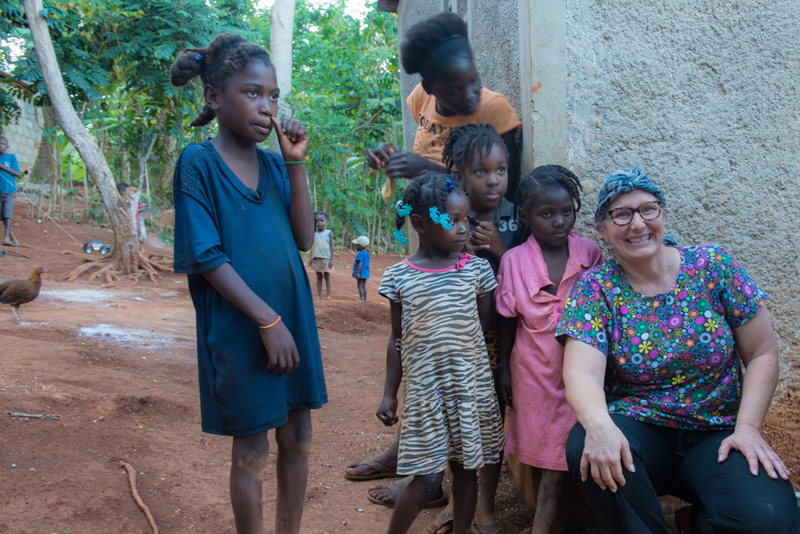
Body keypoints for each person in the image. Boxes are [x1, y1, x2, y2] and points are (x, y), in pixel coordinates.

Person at [557, 168, 798, 534]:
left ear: (663, 214)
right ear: (602, 230)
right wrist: (600, 426)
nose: (638, 224)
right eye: (621, 214)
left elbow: (762, 352)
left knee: (770, 520)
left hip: (718, 431)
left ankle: (695, 524)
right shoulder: (596, 288)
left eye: (647, 209)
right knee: (587, 446)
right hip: (640, 428)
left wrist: (749, 428)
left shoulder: (713, 266)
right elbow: (581, 372)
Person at [169, 33, 327, 534]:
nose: (267, 107)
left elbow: (304, 238)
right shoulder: (198, 163)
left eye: (273, 96)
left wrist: (296, 161)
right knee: (253, 447)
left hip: (290, 318)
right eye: (253, 93)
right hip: (245, 326)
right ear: (215, 97)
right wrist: (266, 320)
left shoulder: (276, 165)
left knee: (298, 437)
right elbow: (206, 257)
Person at [376, 171, 504, 534]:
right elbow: (398, 338)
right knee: (427, 479)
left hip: (468, 391)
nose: (464, 228)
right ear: (419, 224)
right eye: (453, 220)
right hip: (426, 396)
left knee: (465, 470)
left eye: (466, 219)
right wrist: (389, 393)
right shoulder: (400, 277)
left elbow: (483, 327)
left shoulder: (477, 271)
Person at [494, 166, 602, 534]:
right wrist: (504, 369)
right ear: (525, 217)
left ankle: (545, 525)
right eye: (547, 214)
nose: (559, 221)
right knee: (541, 453)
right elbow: (508, 319)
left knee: (563, 455)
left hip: (581, 372)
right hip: (533, 372)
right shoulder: (514, 261)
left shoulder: (590, 253)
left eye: (566, 211)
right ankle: (548, 521)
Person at [364, 12, 521, 203]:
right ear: (429, 89)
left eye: (474, 81)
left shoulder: (494, 110)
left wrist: (427, 169)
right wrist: (394, 158)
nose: (471, 95)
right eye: (454, 91)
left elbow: (505, 196)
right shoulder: (420, 98)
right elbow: (432, 149)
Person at [0, 136, 24, 247]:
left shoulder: (11, 157)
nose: (0, 145)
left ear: (7, 146)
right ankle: (11, 236)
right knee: (3, 214)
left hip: (9, 190)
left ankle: (6, 237)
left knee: (7, 212)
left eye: (2, 144)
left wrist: (1, 166)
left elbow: (18, 174)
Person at [309, 211, 334, 299]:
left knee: (327, 276)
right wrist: (310, 258)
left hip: (326, 258)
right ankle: (319, 295)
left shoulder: (328, 233)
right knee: (319, 277)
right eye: (317, 221)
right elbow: (312, 246)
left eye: (321, 221)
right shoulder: (313, 233)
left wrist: (331, 259)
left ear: (326, 222)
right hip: (316, 258)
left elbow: (332, 246)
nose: (319, 223)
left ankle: (328, 295)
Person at [116, 182, 146, 249]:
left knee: (140, 232)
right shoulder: (120, 199)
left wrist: (134, 210)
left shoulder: (134, 195)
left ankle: (139, 247)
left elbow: (142, 207)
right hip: (127, 217)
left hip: (137, 216)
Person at [352, 235, 370, 301]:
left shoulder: (360, 254)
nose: (356, 246)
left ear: (360, 246)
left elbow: (360, 263)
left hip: (361, 272)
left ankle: (361, 298)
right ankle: (365, 298)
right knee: (364, 285)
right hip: (366, 272)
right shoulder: (367, 253)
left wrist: (358, 272)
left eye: (357, 245)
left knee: (359, 285)